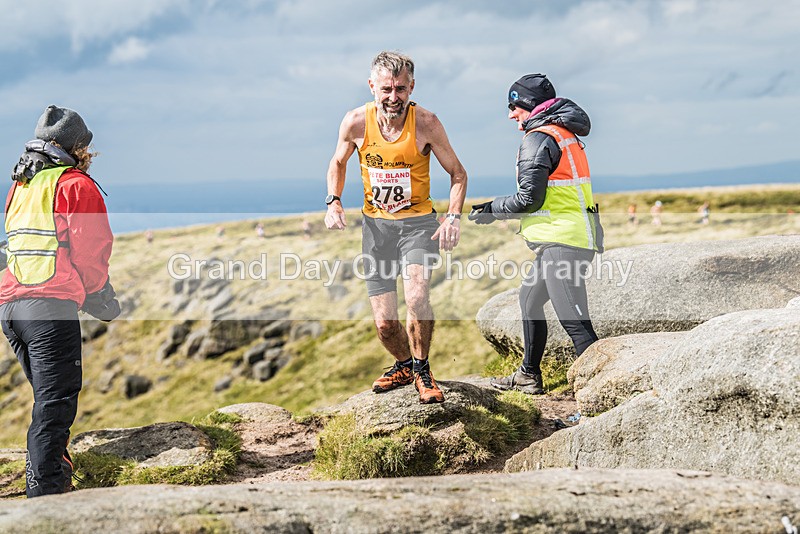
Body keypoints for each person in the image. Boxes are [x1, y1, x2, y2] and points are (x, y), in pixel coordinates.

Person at [324, 51, 467, 404]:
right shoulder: (356, 122)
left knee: (416, 296)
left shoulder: (427, 123)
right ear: (372, 86)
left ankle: (422, 369)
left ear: (411, 87)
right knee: (385, 325)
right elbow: (338, 162)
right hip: (377, 230)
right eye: (386, 89)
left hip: (418, 225)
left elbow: (458, 173)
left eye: (400, 89)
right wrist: (333, 201)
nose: (393, 97)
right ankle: (404, 364)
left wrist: (453, 217)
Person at [0, 105, 119, 497]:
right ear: (78, 147)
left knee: (47, 402)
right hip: (49, 310)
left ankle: (54, 479)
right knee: (54, 409)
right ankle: (46, 499)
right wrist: (98, 296)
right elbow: (92, 252)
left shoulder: (22, 186)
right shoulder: (75, 185)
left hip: (11, 310)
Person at [469, 74, 602, 395]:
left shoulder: (539, 138)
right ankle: (528, 375)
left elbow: (530, 198)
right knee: (529, 300)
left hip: (563, 241)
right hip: (562, 239)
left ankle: (602, 392)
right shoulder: (561, 133)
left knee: (575, 323)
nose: (510, 115)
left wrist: (492, 209)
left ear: (528, 104)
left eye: (513, 106)